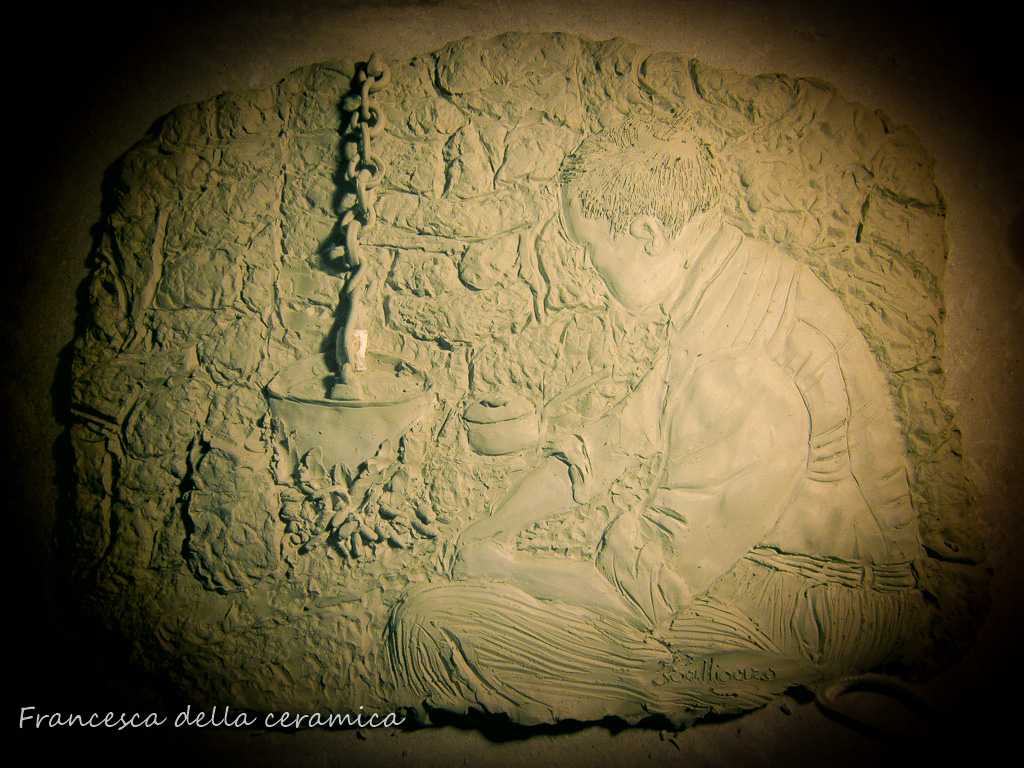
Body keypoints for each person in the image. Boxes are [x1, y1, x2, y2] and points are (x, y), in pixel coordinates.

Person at [386, 119, 924, 726]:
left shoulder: (735, 363)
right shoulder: (729, 286)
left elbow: (643, 593)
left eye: (591, 247)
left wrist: (506, 569)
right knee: (452, 611)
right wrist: (492, 527)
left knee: (432, 625)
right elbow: (610, 444)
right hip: (759, 579)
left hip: (810, 611)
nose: (589, 266)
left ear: (645, 233)